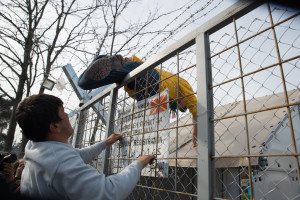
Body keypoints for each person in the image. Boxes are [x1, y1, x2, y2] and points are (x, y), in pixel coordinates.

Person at [16, 94, 155, 200]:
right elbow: (109, 191)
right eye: (63, 112)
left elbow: (77, 156)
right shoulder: (58, 162)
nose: (67, 115)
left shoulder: (37, 147)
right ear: (54, 126)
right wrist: (138, 164)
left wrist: (105, 143)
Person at [78, 55, 198, 147]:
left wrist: (129, 59)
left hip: (131, 77)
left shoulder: (167, 98)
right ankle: (111, 62)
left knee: (84, 83)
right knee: (151, 117)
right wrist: (195, 133)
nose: (178, 106)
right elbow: (196, 112)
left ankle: (106, 60)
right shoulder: (184, 85)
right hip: (150, 78)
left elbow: (140, 64)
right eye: (182, 106)